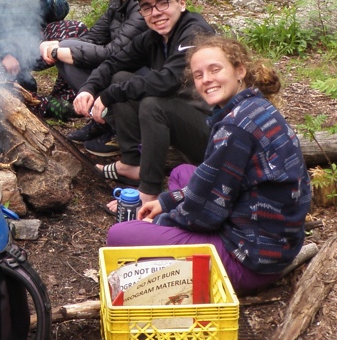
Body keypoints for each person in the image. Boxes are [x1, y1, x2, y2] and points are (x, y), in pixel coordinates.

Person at [106, 35, 312, 295]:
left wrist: (161, 222)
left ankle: (175, 272)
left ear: (240, 71)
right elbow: (215, 185)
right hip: (274, 241)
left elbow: (205, 215)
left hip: (247, 260)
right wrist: (166, 201)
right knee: (182, 172)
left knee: (119, 235)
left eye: (215, 69)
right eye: (199, 74)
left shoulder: (235, 128)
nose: (206, 80)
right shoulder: (256, 106)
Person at [73, 0, 215, 203]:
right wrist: (88, 88)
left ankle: (149, 192)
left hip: (215, 133)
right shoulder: (154, 37)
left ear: (181, 3)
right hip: (184, 117)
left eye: (163, 2)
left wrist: (108, 96)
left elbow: (169, 80)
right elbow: (113, 62)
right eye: (147, 7)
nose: (156, 12)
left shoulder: (195, 32)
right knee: (120, 78)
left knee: (152, 103)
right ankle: (132, 163)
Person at [38, 0, 146, 145]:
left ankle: (120, 128)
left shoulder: (143, 2)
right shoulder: (117, 2)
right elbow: (93, 37)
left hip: (143, 73)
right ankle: (103, 119)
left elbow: (114, 52)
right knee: (68, 48)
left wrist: (57, 51)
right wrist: (57, 44)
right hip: (121, 66)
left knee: (67, 52)